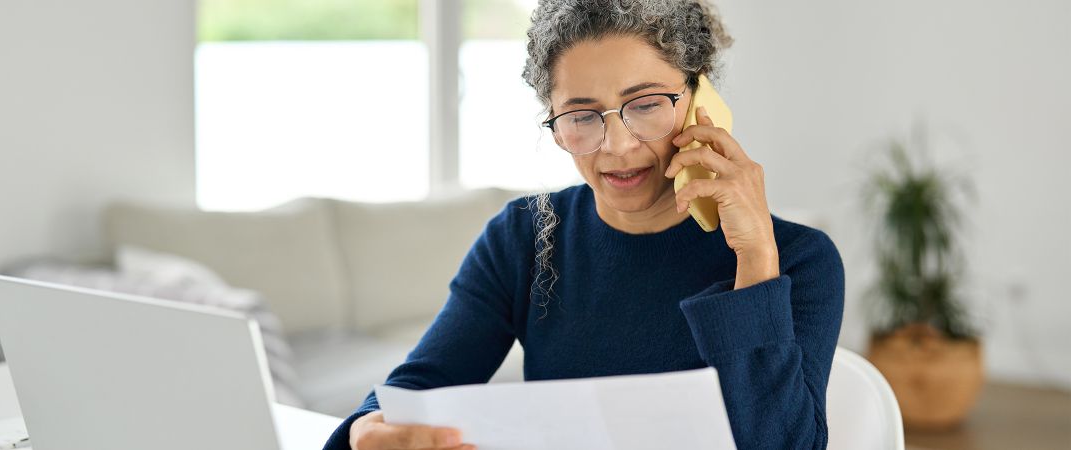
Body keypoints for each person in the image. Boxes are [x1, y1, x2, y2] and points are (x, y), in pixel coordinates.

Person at [324, 0, 843, 448]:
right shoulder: (525, 237)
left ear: (701, 103)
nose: (616, 145)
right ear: (553, 126)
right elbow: (423, 384)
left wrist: (754, 260)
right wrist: (363, 429)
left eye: (644, 105)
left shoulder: (797, 259)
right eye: (581, 116)